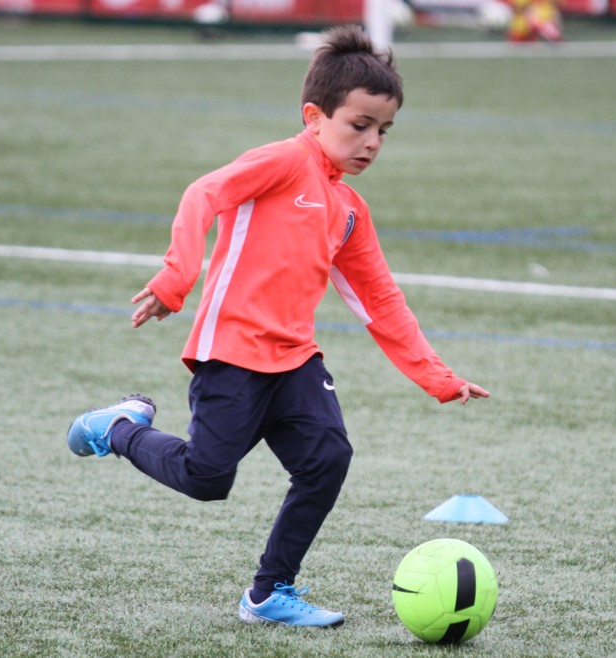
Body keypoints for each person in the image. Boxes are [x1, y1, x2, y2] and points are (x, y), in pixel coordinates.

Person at [65, 25, 489, 629]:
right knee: (207, 478)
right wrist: (175, 278)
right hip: (232, 351)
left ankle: (269, 592)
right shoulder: (285, 161)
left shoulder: (350, 210)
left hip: (294, 360)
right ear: (314, 116)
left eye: (384, 131)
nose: (371, 142)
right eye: (359, 125)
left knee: (327, 458)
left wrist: (438, 377)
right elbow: (202, 194)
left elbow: (380, 301)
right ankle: (120, 428)